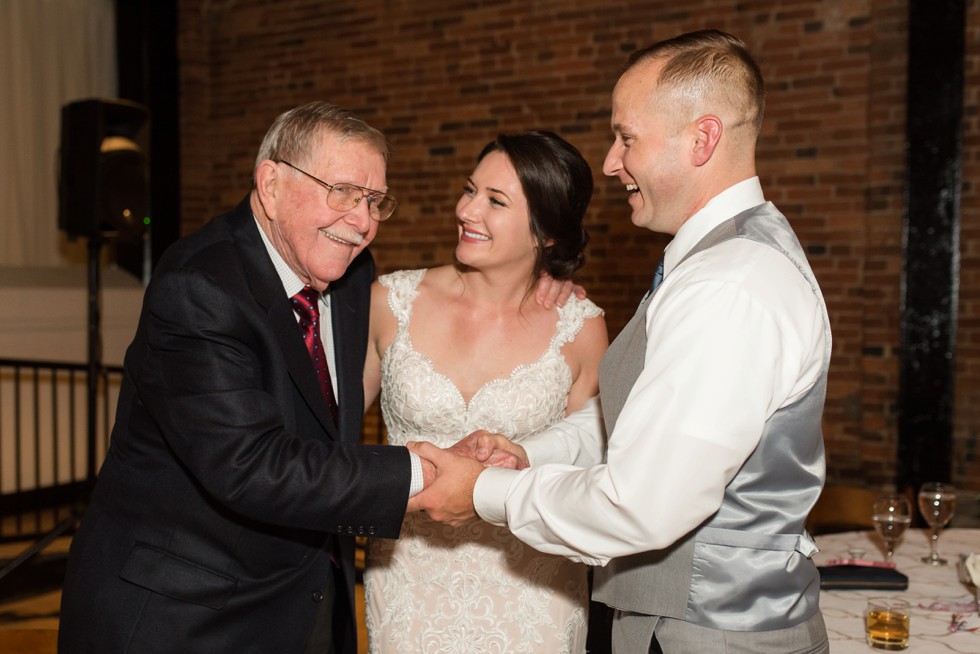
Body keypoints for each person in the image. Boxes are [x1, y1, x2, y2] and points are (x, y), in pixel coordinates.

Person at [413, 30, 833, 654]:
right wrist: (532, 454)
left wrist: (482, 492)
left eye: (626, 137)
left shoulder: (729, 286)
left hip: (713, 635)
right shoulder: (713, 264)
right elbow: (640, 423)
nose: (610, 162)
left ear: (703, 138)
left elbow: (642, 504)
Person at [57, 102, 427, 654]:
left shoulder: (350, 276)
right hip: (184, 618)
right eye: (344, 191)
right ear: (271, 184)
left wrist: (534, 278)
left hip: (305, 605)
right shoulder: (200, 287)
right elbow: (252, 464)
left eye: (375, 201)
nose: (363, 221)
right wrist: (420, 474)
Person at [362, 131, 609, 653]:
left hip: (534, 588)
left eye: (495, 201)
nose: (467, 209)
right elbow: (324, 436)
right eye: (470, 189)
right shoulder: (388, 301)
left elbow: (593, 465)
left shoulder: (580, 327)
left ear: (546, 233)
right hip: (411, 580)